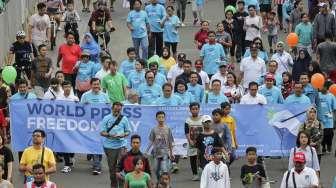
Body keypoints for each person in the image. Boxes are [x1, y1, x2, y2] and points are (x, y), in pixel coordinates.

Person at [100, 102, 131, 187]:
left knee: (121, 167)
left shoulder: (124, 119)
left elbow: (128, 131)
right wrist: (110, 135)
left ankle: (121, 186)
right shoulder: (106, 118)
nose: (117, 111)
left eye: (119, 109)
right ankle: (113, 185)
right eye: (116, 109)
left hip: (122, 145)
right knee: (112, 168)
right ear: (112, 108)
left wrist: (123, 135)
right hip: (109, 146)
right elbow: (102, 132)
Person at [146, 111, 174, 180]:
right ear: (156, 118)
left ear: (164, 118)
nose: (161, 119)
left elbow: (170, 141)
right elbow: (151, 141)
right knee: (156, 170)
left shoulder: (168, 129)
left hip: (165, 153)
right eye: (159, 117)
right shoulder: (154, 129)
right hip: (156, 153)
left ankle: (165, 184)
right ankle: (159, 182)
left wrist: (171, 152)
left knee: (164, 170)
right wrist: (147, 150)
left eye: (162, 117)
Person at [184, 102, 203, 181]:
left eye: (196, 109)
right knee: (193, 158)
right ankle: (195, 174)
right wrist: (190, 141)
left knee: (202, 158)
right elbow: (187, 132)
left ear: (199, 109)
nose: (195, 110)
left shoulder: (203, 119)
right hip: (192, 143)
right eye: (193, 109)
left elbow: (205, 129)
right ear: (190, 110)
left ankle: (202, 172)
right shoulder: (188, 120)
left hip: (202, 142)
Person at [319, 81, 336, 154]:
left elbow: (334, 108)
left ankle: (329, 144)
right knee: (322, 134)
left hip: (329, 119)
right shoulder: (318, 95)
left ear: (327, 87)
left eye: (323, 87)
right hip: (320, 118)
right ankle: (323, 147)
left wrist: (334, 118)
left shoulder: (331, 96)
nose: (322, 88)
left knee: (330, 134)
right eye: (321, 86)